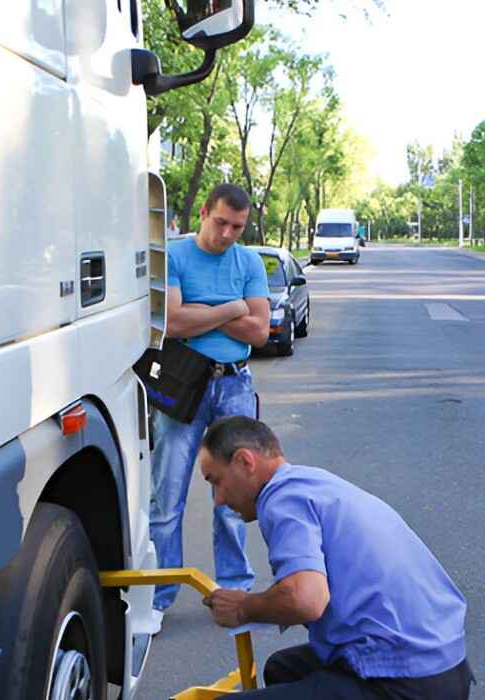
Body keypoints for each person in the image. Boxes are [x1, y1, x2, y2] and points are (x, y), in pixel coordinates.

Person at [199, 416, 472, 699]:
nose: (217, 499)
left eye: (215, 481)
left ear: (245, 461)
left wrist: (244, 607)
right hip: (443, 663)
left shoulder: (281, 500)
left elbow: (305, 599)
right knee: (282, 668)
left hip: (405, 678)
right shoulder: (311, 483)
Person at [150, 183, 270, 621]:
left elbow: (259, 332)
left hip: (234, 383)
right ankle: (159, 597)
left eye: (237, 226)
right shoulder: (176, 256)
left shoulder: (250, 260)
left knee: (238, 491)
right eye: (220, 222)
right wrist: (232, 307)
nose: (227, 234)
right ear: (203, 212)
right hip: (184, 383)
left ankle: (234, 589)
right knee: (167, 494)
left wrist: (205, 311)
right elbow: (174, 322)